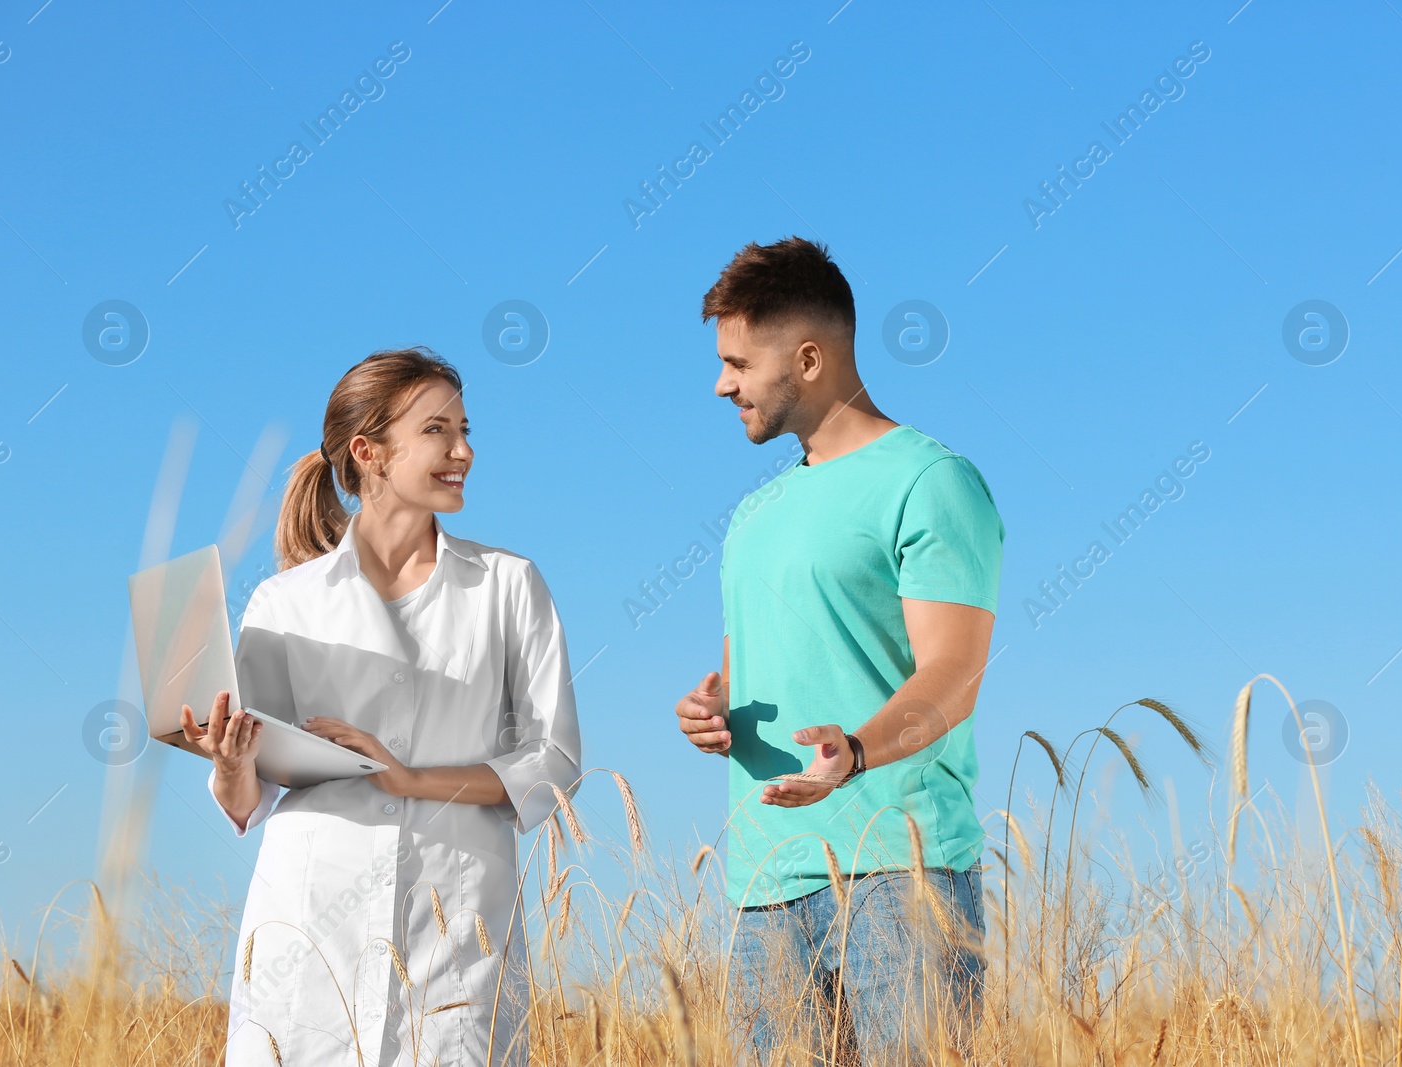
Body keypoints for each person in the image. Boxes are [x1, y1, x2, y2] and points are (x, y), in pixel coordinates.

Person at [180, 347, 582, 1067]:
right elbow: (251, 796)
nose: (464, 450)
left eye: (465, 428)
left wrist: (411, 778)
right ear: (369, 451)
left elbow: (553, 761)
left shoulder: (508, 585)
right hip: (309, 940)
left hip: (454, 939)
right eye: (438, 430)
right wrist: (230, 762)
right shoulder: (285, 602)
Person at [674, 238, 1004, 1064]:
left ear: (810, 358)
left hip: (900, 872)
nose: (721, 384)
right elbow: (742, 666)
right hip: (763, 887)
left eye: (738, 362)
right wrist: (713, 711)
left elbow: (954, 671)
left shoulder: (928, 480)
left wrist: (855, 753)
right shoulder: (752, 516)